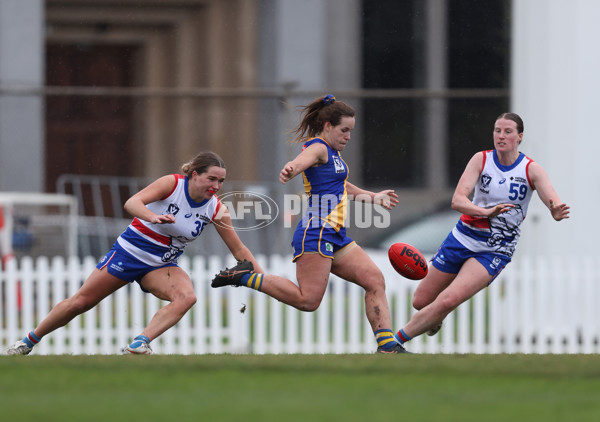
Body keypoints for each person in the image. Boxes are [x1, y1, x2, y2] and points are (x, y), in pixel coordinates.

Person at [5, 151, 264, 355]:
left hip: (162, 265)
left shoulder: (216, 209)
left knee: (186, 297)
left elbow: (239, 249)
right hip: (129, 253)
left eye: (221, 181)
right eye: (212, 179)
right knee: (81, 303)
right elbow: (132, 202)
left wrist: (264, 280)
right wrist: (153, 216)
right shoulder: (172, 184)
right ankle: (28, 341)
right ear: (194, 174)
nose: (217, 185)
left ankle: (139, 343)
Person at [211, 94, 408, 353]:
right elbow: (302, 161)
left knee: (374, 279)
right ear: (328, 126)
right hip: (316, 233)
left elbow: (342, 185)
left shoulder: (335, 154)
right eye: (344, 130)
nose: (348, 136)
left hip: (336, 235)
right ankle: (245, 276)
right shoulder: (318, 147)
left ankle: (388, 347)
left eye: (351, 131)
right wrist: (291, 168)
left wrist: (373, 197)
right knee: (308, 300)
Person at [393, 112, 570, 348]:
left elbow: (552, 199)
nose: (501, 136)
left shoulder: (531, 170)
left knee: (448, 300)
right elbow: (457, 200)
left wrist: (555, 210)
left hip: (495, 249)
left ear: (520, 137)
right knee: (421, 300)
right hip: (462, 237)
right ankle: (432, 319)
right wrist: (486, 212)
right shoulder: (481, 160)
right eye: (497, 130)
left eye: (508, 131)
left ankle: (393, 343)